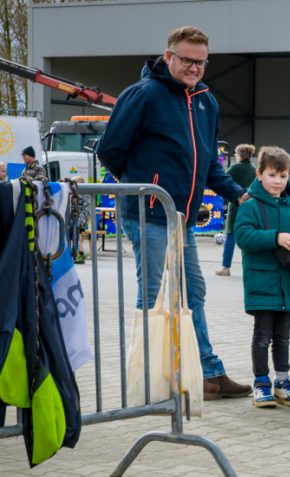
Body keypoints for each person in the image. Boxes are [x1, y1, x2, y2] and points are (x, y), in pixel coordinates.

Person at [96, 25, 252, 400]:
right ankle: (147, 379)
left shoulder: (206, 102)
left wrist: (239, 195)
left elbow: (211, 164)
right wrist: (143, 187)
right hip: (146, 214)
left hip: (179, 219)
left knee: (192, 292)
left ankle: (209, 372)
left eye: (201, 62)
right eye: (187, 60)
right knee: (152, 296)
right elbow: (109, 149)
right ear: (169, 57)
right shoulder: (143, 95)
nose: (194, 68)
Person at [232, 146, 290, 408]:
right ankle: (261, 383)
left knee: (283, 337)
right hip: (262, 284)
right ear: (259, 174)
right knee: (262, 336)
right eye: (272, 175)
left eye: (283, 176)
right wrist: (274, 237)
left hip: (288, 285)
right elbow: (243, 236)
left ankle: (282, 381)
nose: (278, 181)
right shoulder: (249, 206)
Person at [216, 143, 256, 276]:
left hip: (236, 204)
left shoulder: (235, 167)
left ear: (239, 155)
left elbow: (223, 178)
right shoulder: (254, 169)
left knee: (231, 235)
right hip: (251, 205)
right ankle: (249, 267)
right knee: (248, 236)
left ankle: (225, 267)